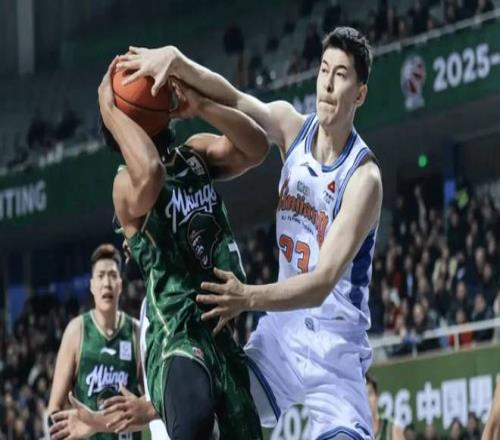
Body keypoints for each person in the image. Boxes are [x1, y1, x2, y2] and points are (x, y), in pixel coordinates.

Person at [117, 26, 382, 439]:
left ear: (360, 94)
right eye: (324, 70)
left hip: (334, 352)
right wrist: (180, 65)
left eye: (341, 75)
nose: (328, 85)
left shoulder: (364, 179)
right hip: (280, 339)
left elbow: (321, 283)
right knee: (210, 417)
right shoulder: (293, 128)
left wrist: (247, 297)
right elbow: (236, 98)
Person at [99, 58, 268, 439]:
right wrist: (110, 109)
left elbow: (257, 147)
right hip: (176, 336)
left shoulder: (194, 155)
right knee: (193, 423)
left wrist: (202, 106)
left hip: (222, 337)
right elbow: (151, 173)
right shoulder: (125, 185)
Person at [47, 244, 143, 439]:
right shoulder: (76, 331)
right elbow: (53, 412)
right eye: (100, 276)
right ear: (91, 285)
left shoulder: (136, 331)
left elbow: (152, 404)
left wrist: (95, 423)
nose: (107, 283)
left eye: (112, 275)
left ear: (120, 284)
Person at [366, 374, 404, 440]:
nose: (367, 399)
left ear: (377, 396)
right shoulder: (354, 431)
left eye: (370, 393)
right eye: (363, 394)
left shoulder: (392, 428)